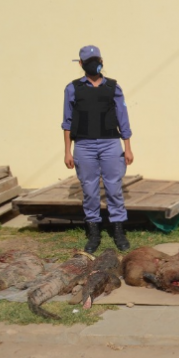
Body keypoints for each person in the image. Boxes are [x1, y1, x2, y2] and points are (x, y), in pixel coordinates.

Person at [62, 45, 134, 253]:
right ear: (81, 64)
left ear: (101, 60)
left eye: (96, 59)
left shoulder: (113, 87)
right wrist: (67, 151)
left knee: (114, 188)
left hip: (111, 143)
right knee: (89, 190)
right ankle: (93, 232)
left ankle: (118, 230)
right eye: (88, 60)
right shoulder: (73, 88)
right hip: (83, 145)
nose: (93, 63)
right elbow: (67, 122)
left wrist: (127, 147)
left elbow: (123, 118)